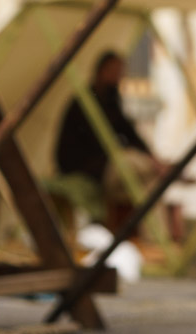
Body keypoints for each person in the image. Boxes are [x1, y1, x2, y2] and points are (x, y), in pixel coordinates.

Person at [53, 51, 163, 234]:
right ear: (102, 71)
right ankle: (149, 233)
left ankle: (152, 236)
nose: (118, 76)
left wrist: (150, 156)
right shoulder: (86, 101)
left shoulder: (111, 100)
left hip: (104, 166)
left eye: (120, 72)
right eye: (114, 71)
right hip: (86, 166)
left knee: (149, 183)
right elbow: (100, 142)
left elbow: (129, 132)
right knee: (133, 165)